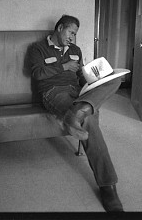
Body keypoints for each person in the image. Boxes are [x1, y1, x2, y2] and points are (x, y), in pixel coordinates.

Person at [25, 15, 124, 212]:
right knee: (88, 120)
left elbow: (80, 76)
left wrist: (94, 79)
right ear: (60, 28)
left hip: (78, 91)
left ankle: (79, 110)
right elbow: (36, 73)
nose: (73, 38)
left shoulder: (76, 51)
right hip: (53, 92)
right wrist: (63, 66)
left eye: (75, 34)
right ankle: (108, 186)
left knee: (117, 79)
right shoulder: (37, 48)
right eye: (71, 32)